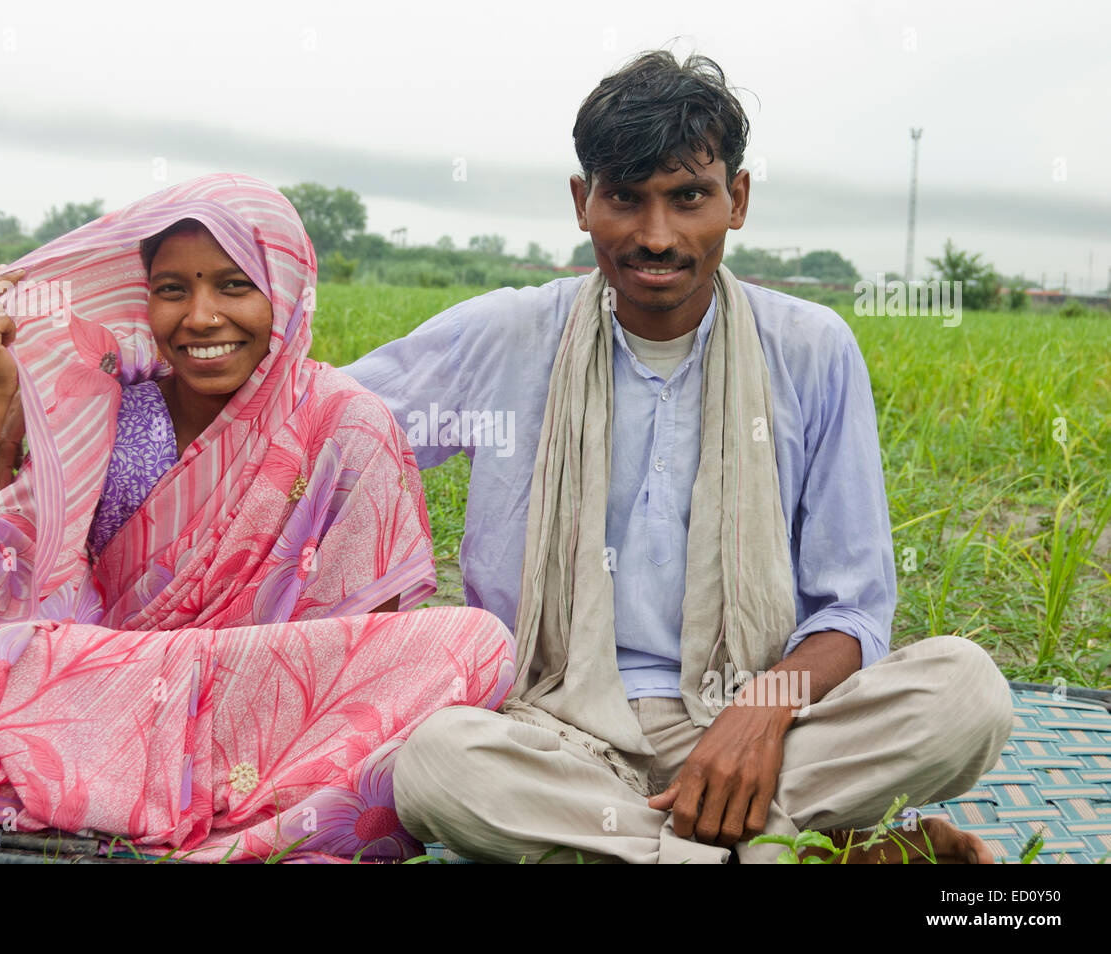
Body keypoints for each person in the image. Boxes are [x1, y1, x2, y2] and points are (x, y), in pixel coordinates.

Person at [342, 51, 1014, 863]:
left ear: (736, 200)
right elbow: (328, 430)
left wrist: (758, 714)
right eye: (625, 198)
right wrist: (154, 371)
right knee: (438, 763)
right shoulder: (509, 335)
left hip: (772, 731)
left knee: (966, 690)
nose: (656, 236)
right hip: (558, 731)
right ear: (582, 202)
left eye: (688, 196)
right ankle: (787, 849)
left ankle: (670, 845)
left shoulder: (810, 349)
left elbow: (855, 611)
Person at [0, 173, 515, 862]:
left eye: (234, 285)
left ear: (284, 291)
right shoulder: (107, 412)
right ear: (144, 298)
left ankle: (170, 799)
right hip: (112, 703)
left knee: (477, 643)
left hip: (264, 718)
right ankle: (188, 798)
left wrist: (217, 678)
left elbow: (359, 657)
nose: (201, 317)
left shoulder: (343, 421)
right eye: (173, 289)